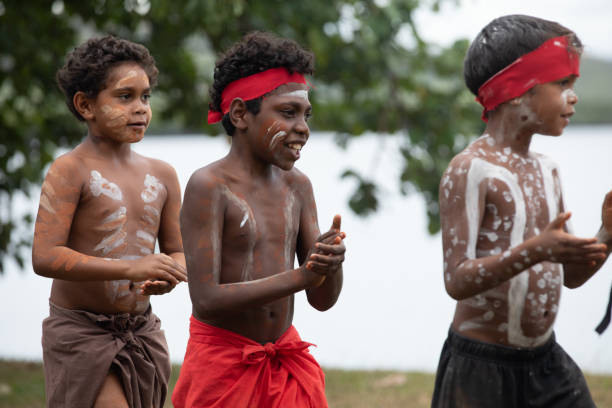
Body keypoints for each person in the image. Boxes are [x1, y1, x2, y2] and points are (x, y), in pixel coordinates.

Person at [432, 14, 612, 408]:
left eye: (574, 85)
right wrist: (538, 249)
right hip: (479, 368)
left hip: (545, 361)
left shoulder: (547, 170)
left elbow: (570, 275)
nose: (573, 96)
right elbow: (457, 280)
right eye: (562, 83)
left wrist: (606, 234)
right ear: (516, 91)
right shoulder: (470, 169)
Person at [172, 31, 346, 408]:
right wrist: (302, 276)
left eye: (306, 114)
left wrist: (330, 265)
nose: (303, 127)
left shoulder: (298, 187)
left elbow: (322, 300)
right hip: (223, 367)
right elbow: (206, 298)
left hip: (285, 358)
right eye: (288, 112)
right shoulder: (209, 186)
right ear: (239, 114)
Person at [32, 35, 187, 408]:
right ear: (86, 105)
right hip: (82, 332)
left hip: (142, 331)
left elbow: (178, 251)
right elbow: (45, 257)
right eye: (125, 96)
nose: (140, 108)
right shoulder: (71, 169)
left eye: (146, 96)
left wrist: (168, 275)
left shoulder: (163, 174)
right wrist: (132, 266)